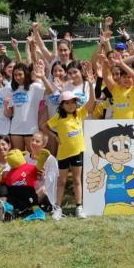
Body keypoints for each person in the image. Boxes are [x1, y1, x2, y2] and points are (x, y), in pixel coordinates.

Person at [46, 85, 96, 219]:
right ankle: (57, 208)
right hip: (63, 154)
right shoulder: (58, 118)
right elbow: (44, 126)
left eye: (73, 102)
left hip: (77, 153)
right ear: (62, 105)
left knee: (76, 180)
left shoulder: (79, 113)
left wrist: (91, 85)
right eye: (67, 103)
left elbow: (91, 103)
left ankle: (79, 207)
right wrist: (55, 137)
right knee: (61, 181)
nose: (71, 105)